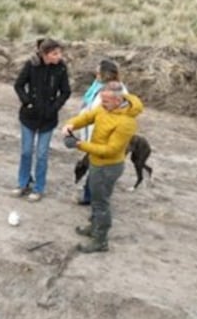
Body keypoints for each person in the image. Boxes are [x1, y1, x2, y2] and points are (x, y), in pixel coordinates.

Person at [61, 81, 144, 253]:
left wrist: (79, 144)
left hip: (108, 167)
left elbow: (110, 150)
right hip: (97, 163)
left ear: (117, 100)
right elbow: (88, 117)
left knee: (101, 204)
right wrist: (72, 124)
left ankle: (101, 240)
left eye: (105, 101)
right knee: (96, 200)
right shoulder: (106, 108)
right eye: (101, 100)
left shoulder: (126, 122)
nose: (102, 104)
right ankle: (94, 228)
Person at [12, 38, 71, 201]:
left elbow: (66, 91)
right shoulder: (31, 65)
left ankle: (38, 188)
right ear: (45, 54)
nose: (59, 56)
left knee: (42, 154)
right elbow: (18, 85)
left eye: (59, 53)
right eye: (55, 53)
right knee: (26, 152)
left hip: (48, 119)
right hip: (29, 117)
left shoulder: (61, 68)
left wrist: (54, 107)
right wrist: (27, 102)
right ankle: (23, 183)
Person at [77, 59, 126, 206]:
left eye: (98, 72)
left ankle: (95, 199)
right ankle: (89, 195)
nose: (96, 74)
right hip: (92, 132)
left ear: (107, 74)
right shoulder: (97, 86)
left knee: (99, 169)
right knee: (93, 166)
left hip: (104, 135)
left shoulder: (117, 90)